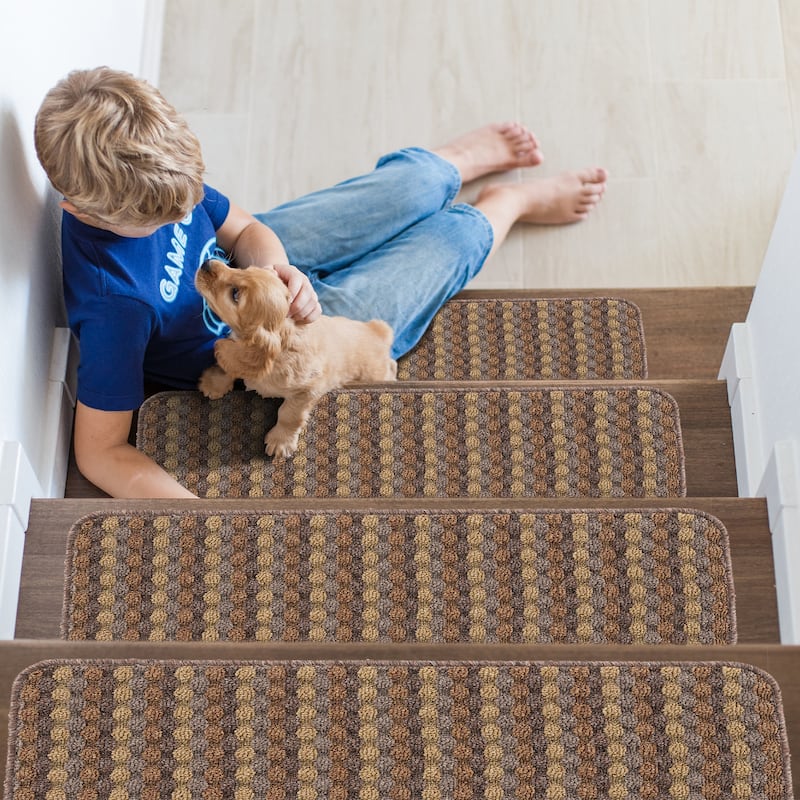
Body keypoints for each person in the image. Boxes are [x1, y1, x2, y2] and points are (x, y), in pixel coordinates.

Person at [34, 66, 607, 499]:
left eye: (187, 202)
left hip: (263, 271)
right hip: (282, 340)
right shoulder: (117, 306)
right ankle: (505, 204)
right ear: (81, 210)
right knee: (448, 245)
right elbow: (98, 451)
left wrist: (280, 267)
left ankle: (452, 164)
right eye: (163, 221)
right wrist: (192, 512)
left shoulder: (158, 181)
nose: (182, 214)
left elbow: (247, 228)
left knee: (410, 189)